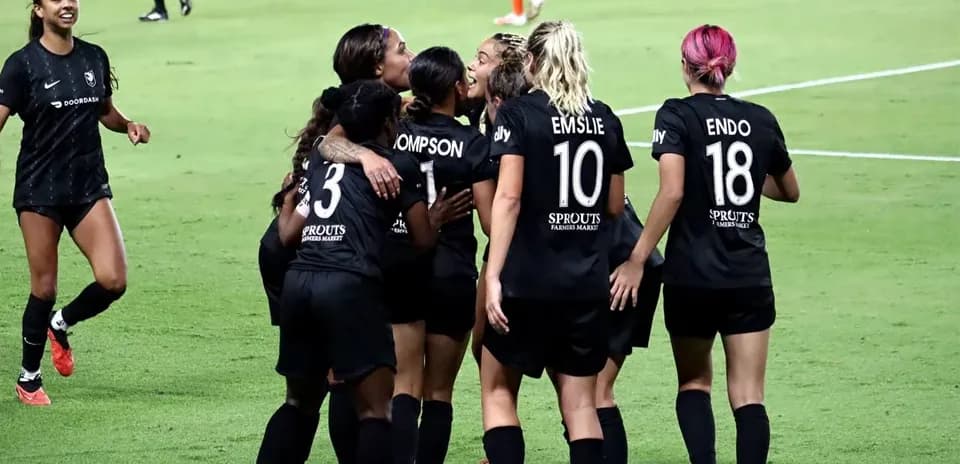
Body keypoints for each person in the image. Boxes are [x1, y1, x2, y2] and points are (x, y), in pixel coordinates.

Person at [609, 24, 800, 464]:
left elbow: (672, 191)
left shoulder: (676, 114)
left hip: (691, 273)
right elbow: (789, 190)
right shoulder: (761, 119)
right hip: (748, 273)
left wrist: (638, 258)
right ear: (728, 67)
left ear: (685, 66)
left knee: (694, 384)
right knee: (749, 395)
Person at [256, 79, 468, 464]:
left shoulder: (323, 160)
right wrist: (435, 219)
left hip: (299, 284)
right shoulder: (396, 165)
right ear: (388, 124)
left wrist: (290, 198)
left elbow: (287, 235)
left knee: (298, 404)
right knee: (375, 412)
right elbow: (421, 240)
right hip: (349, 285)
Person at [255, 23, 417, 463]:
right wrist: (368, 156)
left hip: (302, 272)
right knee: (366, 402)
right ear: (377, 67)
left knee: (308, 399)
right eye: (403, 49)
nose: (411, 56)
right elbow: (331, 145)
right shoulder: (352, 132)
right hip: (331, 272)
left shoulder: (361, 112)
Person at [482, 20, 633, 463]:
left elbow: (507, 197)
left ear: (530, 62)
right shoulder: (604, 117)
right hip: (586, 283)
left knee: (497, 394)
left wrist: (493, 275)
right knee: (581, 404)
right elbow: (615, 204)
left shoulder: (518, 114)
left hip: (526, 280)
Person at [0, 0, 151, 406]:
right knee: (44, 287)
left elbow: (105, 112)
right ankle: (28, 377)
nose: (67, 4)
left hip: (87, 187)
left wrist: (129, 125)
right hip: (39, 191)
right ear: (37, 10)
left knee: (113, 280)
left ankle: (61, 323)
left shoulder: (93, 57)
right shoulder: (22, 65)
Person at [385, 46, 492, 464]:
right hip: (453, 271)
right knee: (439, 392)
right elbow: (488, 221)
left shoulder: (397, 132)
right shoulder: (473, 143)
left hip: (403, 264)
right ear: (454, 88)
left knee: (404, 383)